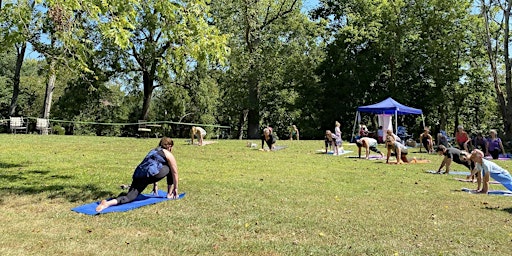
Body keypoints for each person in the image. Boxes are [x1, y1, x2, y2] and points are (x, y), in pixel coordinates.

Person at [96, 137, 179, 212]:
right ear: (169, 146)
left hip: (138, 174)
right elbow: (175, 172)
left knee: (129, 197)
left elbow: (151, 165)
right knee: (169, 168)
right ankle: (169, 194)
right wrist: (175, 188)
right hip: (151, 175)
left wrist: (155, 186)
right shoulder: (168, 154)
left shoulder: (153, 151)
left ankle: (107, 203)